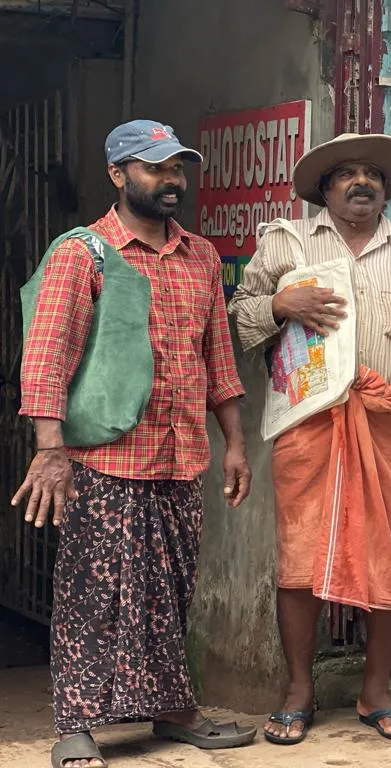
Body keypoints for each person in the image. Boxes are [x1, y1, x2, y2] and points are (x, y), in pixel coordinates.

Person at [229, 133, 391, 746]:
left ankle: (376, 690)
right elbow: (237, 323)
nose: (360, 182)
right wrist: (278, 303)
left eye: (372, 173)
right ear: (325, 189)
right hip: (308, 423)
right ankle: (299, 691)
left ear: (387, 189)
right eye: (345, 173)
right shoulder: (284, 244)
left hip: (390, 424)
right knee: (299, 559)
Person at [13, 120, 256, 768]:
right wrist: (50, 450)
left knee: (171, 590)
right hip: (105, 459)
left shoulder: (202, 255)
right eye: (155, 168)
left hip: (181, 458)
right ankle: (76, 724)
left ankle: (174, 710)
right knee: (92, 596)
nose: (171, 179)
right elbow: (46, 357)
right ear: (119, 175)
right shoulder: (85, 252)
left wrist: (234, 442)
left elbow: (218, 361)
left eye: (177, 167)